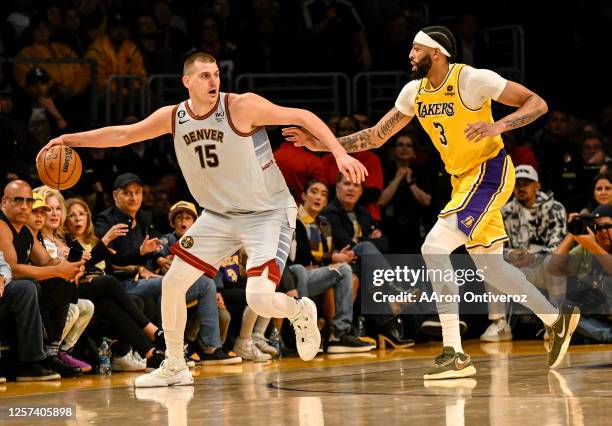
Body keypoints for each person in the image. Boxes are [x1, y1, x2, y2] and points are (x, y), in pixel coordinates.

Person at [38, 51, 367, 387]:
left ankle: (300, 312)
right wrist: (68, 139)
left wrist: (338, 152)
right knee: (173, 282)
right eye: (205, 75)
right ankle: (175, 365)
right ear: (187, 82)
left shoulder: (240, 106)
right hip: (219, 216)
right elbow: (123, 134)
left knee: (259, 299)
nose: (214, 81)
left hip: (266, 214)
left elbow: (301, 115)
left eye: (216, 74)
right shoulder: (174, 116)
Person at [284, 25, 581, 379]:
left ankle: (454, 352)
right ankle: (555, 319)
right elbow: (377, 135)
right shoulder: (415, 92)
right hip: (463, 182)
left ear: (436, 52)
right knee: (492, 269)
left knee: (434, 245)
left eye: (416, 48)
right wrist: (322, 144)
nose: (410, 54)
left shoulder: (471, 80)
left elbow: (537, 103)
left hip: (489, 172)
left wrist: (499, 126)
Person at [0, 180, 83, 378]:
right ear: (4, 202)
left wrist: (70, 268)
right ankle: (30, 362)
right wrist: (57, 271)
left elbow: (46, 261)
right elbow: (13, 270)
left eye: (29, 201)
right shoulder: (2, 226)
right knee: (28, 287)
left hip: (17, 290)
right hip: (5, 288)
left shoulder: (26, 230)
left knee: (64, 281)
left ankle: (51, 350)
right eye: (18, 200)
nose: (24, 206)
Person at [480, 165, 567, 342]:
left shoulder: (555, 208)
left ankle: (556, 322)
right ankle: (500, 324)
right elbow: (492, 246)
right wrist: (510, 253)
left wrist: (534, 255)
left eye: (526, 183)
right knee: (489, 264)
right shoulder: (502, 212)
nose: (520, 187)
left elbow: (559, 244)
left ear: (537, 186)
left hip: (543, 267)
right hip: (516, 269)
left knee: (555, 260)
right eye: (516, 183)